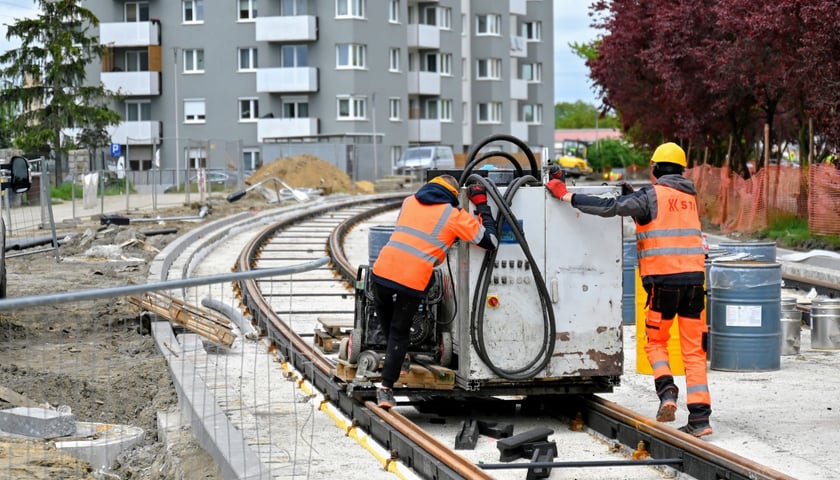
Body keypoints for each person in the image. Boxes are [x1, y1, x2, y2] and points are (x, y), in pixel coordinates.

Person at [545, 142, 713, 438]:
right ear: (681, 170)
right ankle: (700, 419)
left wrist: (566, 195)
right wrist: (633, 197)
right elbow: (657, 216)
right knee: (694, 351)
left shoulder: (651, 195)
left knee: (656, 342)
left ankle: (668, 393)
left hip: (664, 284)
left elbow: (611, 208)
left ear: (656, 168)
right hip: (695, 284)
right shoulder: (688, 198)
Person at [370, 174, 498, 409]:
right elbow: (490, 240)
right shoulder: (455, 216)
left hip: (381, 271)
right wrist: (482, 205)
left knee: (387, 318)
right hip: (411, 279)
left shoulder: (409, 201)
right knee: (400, 330)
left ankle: (399, 358)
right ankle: (386, 388)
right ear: (453, 194)